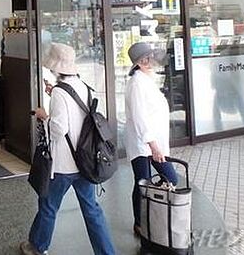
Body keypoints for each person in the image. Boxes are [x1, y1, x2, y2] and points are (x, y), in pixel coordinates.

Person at [20, 43, 115, 255]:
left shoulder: (59, 93)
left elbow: (58, 129)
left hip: (64, 164)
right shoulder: (84, 87)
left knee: (48, 205)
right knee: (92, 210)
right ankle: (107, 252)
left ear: (55, 68)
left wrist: (44, 116)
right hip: (85, 162)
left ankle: (37, 246)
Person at [125, 42, 179, 237]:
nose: (150, 62)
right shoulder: (137, 83)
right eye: (145, 59)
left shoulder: (146, 79)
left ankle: (148, 216)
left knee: (145, 182)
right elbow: (140, 117)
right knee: (148, 181)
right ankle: (140, 222)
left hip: (150, 142)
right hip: (144, 144)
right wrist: (153, 146)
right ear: (138, 63)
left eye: (150, 58)